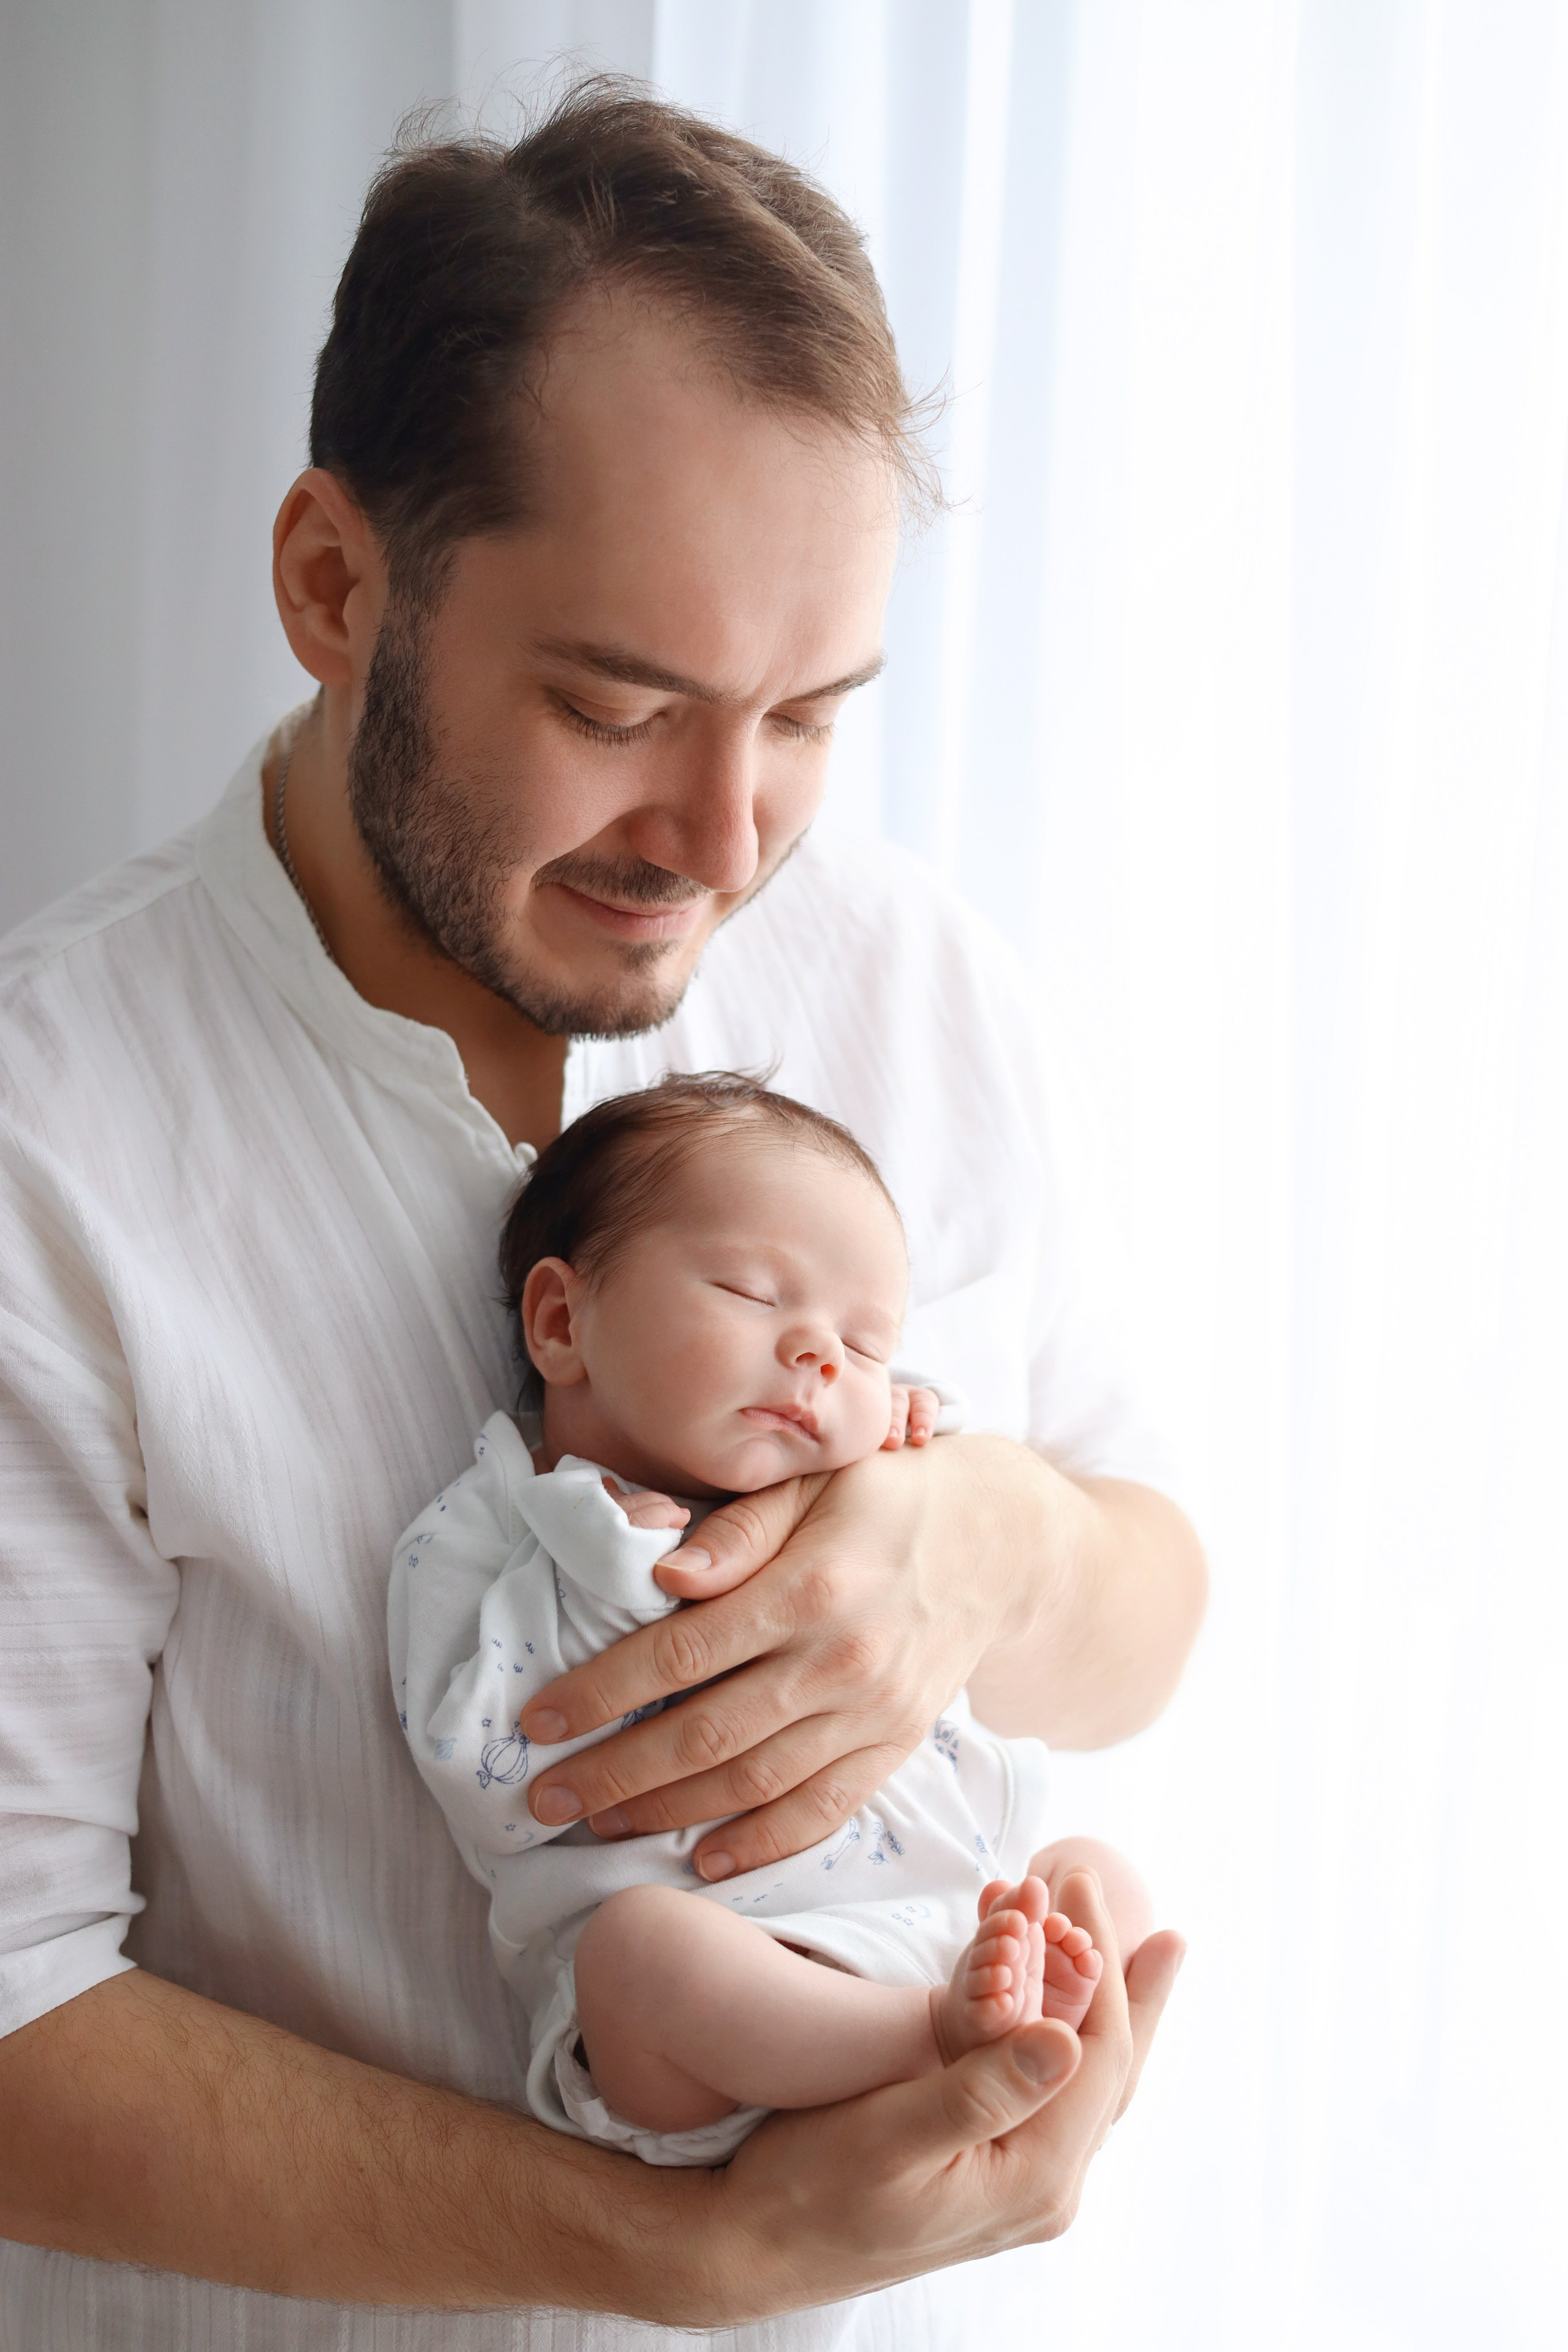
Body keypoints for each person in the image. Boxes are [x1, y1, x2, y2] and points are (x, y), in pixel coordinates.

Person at [0, 80, 1204, 2348]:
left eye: (809, 718)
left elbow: (1150, 1609)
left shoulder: (907, 972)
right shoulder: (44, 1143)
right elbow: (10, 2018)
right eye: (618, 705)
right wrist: (682, 2254)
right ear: (334, 586)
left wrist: (991, 1550)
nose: (728, 841)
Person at [392, 1074, 1156, 2169]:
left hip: (944, 1916)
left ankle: (1008, 2021)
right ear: (563, 1322)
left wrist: (911, 1444)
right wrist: (600, 1570)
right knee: (639, 1954)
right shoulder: (497, 1527)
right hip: (724, 1994)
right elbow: (481, 1777)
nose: (822, 1356)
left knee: (1094, 1879)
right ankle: (930, 2040)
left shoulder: (862, 1496)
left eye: (867, 1344)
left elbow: (963, 1559)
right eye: (753, 1293)